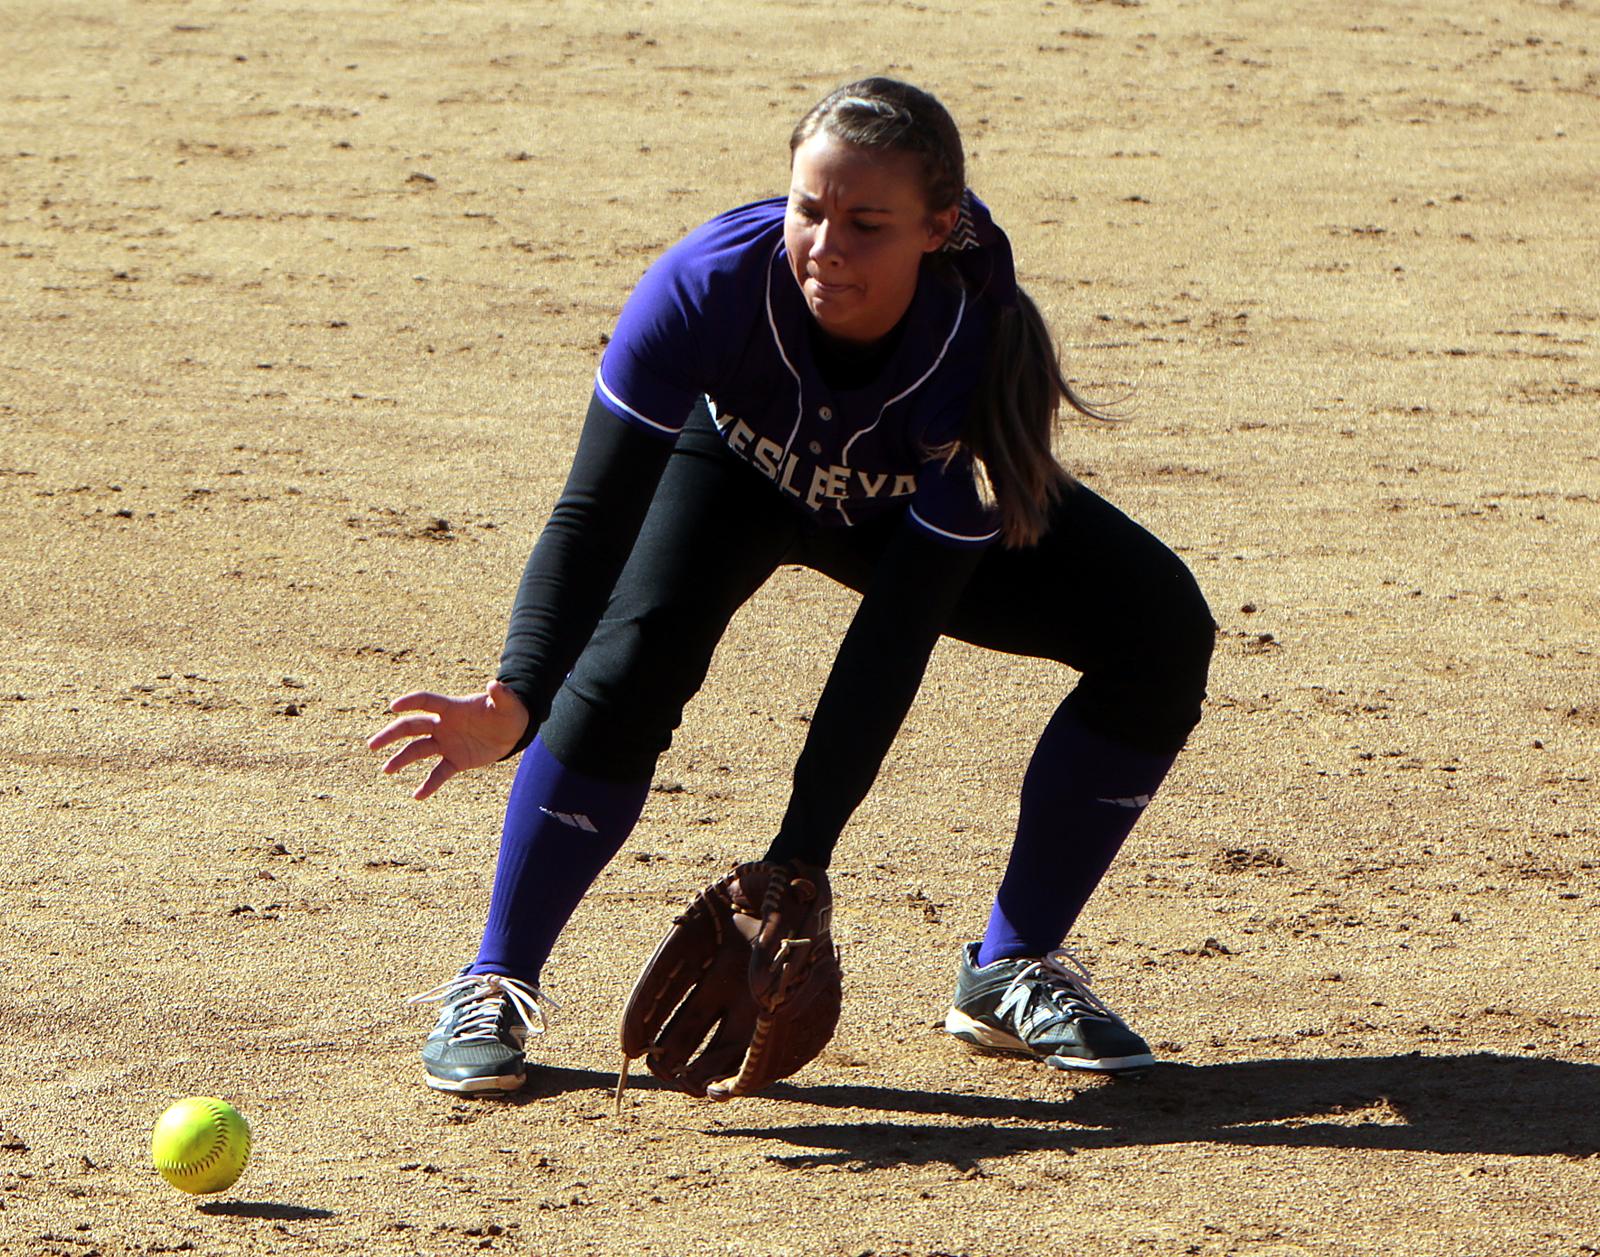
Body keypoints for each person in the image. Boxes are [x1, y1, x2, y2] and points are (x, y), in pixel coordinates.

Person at [369, 77, 1215, 1095]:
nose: (826, 244)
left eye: (868, 223)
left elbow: (896, 630)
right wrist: (519, 689)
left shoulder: (975, 355)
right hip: (734, 472)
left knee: (1160, 629)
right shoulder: (707, 283)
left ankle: (1011, 969)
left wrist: (797, 859)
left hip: (898, 509)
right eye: (808, 211)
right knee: (628, 666)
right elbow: (593, 515)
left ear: (936, 227)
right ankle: (495, 980)